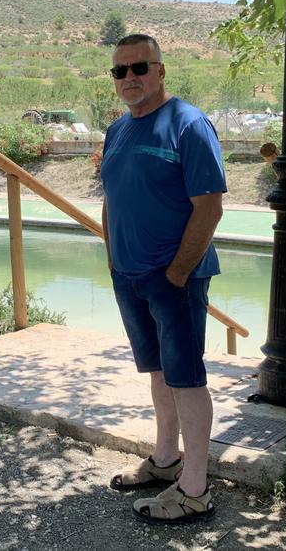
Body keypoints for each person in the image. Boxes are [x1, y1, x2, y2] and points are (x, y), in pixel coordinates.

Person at [100, 34, 224, 524]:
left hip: (175, 281)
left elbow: (209, 207)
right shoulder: (117, 131)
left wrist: (176, 273)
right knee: (157, 373)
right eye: (120, 71)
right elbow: (112, 198)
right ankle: (165, 458)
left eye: (139, 68)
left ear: (160, 70)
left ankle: (194, 489)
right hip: (129, 276)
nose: (130, 78)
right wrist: (114, 258)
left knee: (186, 378)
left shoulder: (188, 124)